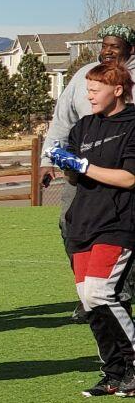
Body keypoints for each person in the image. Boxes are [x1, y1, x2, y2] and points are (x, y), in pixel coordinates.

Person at [45, 62, 135, 396]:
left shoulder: (132, 123)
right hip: (83, 222)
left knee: (100, 292)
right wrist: (65, 162)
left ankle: (133, 364)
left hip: (117, 222)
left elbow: (129, 178)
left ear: (118, 89)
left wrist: (85, 165)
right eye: (88, 88)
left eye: (96, 88)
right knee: (89, 299)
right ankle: (113, 372)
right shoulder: (83, 126)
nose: (89, 95)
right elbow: (74, 175)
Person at [45, 26, 135, 320]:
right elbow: (63, 116)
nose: (108, 51)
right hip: (83, 172)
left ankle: (116, 293)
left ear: (130, 49)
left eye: (115, 46)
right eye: (104, 45)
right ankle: (89, 292)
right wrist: (52, 156)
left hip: (122, 170)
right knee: (68, 224)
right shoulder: (86, 74)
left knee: (119, 233)